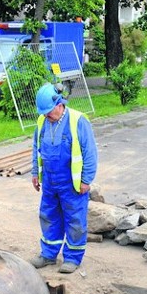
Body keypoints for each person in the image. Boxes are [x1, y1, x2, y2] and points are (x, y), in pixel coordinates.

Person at [30, 83, 98, 274]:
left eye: (49, 112)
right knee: (48, 217)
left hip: (72, 183)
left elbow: (90, 153)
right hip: (50, 182)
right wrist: (35, 173)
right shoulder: (42, 122)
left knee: (75, 219)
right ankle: (48, 254)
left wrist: (86, 179)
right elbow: (37, 149)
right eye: (43, 113)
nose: (46, 115)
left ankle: (73, 257)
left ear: (60, 104)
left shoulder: (78, 121)